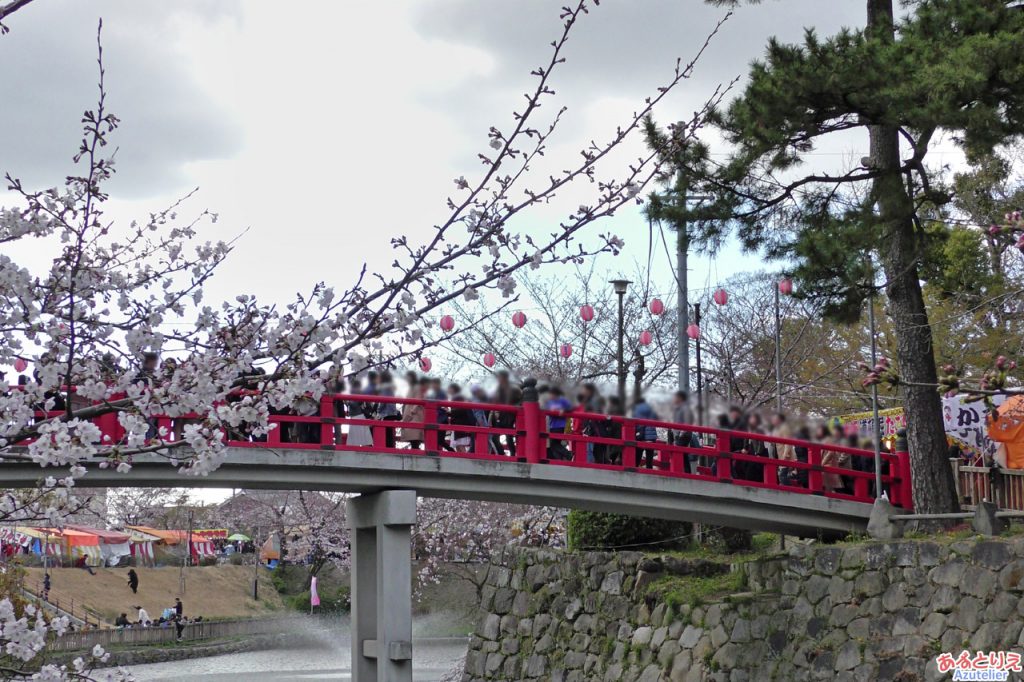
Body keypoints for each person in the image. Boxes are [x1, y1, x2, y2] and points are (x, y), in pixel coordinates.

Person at [671, 391, 698, 473]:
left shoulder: (685, 408)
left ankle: (680, 472)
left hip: (683, 434)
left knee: (678, 451)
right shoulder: (678, 408)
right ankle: (687, 472)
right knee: (683, 454)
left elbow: (687, 422)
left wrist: (681, 433)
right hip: (680, 434)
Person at [632, 394, 659, 468]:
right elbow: (656, 418)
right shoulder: (651, 409)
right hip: (651, 436)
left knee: (638, 454)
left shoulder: (636, 409)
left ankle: (635, 469)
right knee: (649, 455)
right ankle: (649, 471)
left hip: (641, 434)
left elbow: (634, 421)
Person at [345, 377, 374, 447]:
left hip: (357, 415)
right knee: (362, 436)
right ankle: (364, 448)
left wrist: (347, 401)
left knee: (358, 436)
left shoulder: (355, 391)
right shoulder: (356, 391)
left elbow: (355, 404)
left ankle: (361, 449)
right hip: (356, 415)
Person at [446, 385, 476, 452]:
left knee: (459, 444)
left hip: (461, 423)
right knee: (457, 444)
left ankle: (465, 460)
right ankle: (462, 460)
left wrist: (449, 412)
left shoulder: (458, 398)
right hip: (458, 423)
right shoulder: (457, 398)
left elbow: (461, 410)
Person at [545, 387, 572, 460]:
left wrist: (563, 410)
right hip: (552, 425)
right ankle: (559, 459)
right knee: (554, 444)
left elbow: (570, 408)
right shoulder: (549, 402)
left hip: (560, 425)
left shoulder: (562, 400)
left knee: (554, 444)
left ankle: (568, 454)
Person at [376, 371, 401, 448]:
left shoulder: (385, 387)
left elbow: (383, 401)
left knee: (387, 432)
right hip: (392, 411)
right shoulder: (391, 388)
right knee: (390, 431)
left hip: (386, 413)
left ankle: (388, 447)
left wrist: (378, 411)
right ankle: (391, 446)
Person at [399, 379, 425, 450]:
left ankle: (415, 447)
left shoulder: (416, 387)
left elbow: (418, 398)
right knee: (412, 433)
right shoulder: (411, 388)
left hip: (414, 413)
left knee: (414, 432)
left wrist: (413, 409)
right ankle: (415, 447)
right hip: (411, 411)